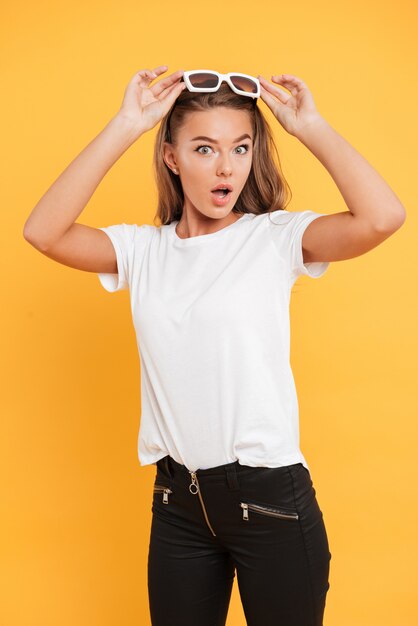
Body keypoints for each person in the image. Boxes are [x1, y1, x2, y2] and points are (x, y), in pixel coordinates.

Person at [23, 66, 406, 626]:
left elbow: (383, 217)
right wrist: (128, 123)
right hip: (178, 503)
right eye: (205, 149)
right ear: (172, 158)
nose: (227, 166)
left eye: (241, 147)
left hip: (270, 500)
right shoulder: (142, 251)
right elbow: (44, 231)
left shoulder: (271, 240)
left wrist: (313, 126)